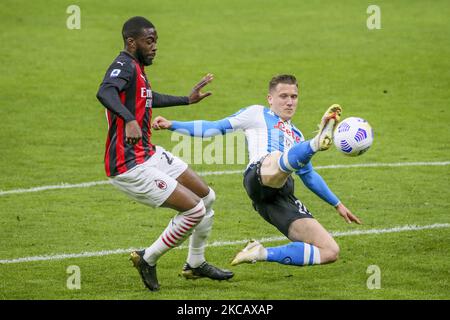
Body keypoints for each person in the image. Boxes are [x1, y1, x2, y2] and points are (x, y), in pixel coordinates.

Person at [152, 74, 362, 269]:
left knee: (329, 251)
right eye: (284, 96)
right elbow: (213, 127)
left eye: (294, 97)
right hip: (259, 174)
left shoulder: (296, 135)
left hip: (279, 196)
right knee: (275, 160)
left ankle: (258, 252)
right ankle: (315, 143)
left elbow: (309, 176)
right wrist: (172, 124)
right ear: (270, 99)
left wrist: (337, 204)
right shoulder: (256, 113)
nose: (290, 101)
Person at [96, 16, 233, 292]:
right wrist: (129, 120)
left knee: (207, 197)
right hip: (128, 164)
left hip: (148, 153)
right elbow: (105, 92)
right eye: (149, 41)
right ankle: (148, 258)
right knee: (193, 209)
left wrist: (186, 99)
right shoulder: (123, 65)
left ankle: (195, 263)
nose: (155, 46)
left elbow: (147, 97)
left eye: (156, 40)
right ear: (131, 42)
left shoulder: (136, 68)